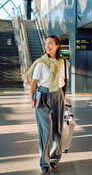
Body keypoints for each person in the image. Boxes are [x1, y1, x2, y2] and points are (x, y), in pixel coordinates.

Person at [27, 35, 69, 172]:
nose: (47, 46)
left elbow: (64, 82)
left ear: (57, 45)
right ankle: (44, 162)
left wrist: (64, 98)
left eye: (50, 43)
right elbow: (33, 83)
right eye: (46, 44)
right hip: (42, 96)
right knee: (46, 130)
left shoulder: (63, 63)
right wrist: (32, 99)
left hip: (58, 96)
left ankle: (54, 158)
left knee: (58, 129)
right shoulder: (41, 63)